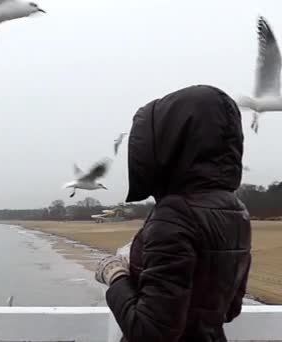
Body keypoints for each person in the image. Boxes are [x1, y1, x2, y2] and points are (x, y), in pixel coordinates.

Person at [95, 85, 252, 342]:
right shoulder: (237, 211)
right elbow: (229, 309)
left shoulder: (174, 216)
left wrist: (116, 275)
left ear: (170, 143)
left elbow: (149, 333)